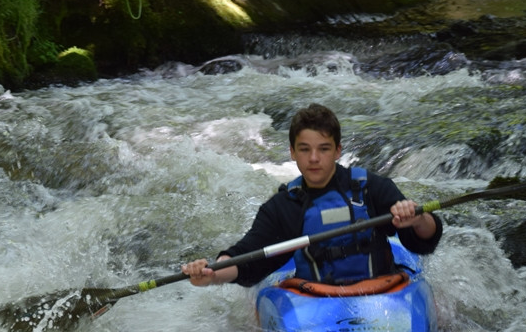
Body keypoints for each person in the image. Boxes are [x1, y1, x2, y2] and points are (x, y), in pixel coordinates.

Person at [182, 103, 442, 287]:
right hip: (317, 302)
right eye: (304, 149)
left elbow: (425, 240)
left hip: (382, 291)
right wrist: (212, 273)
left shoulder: (370, 188)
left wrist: (418, 218)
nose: (314, 158)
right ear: (292, 153)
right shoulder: (284, 206)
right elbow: (247, 257)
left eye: (324, 149)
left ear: (338, 151)